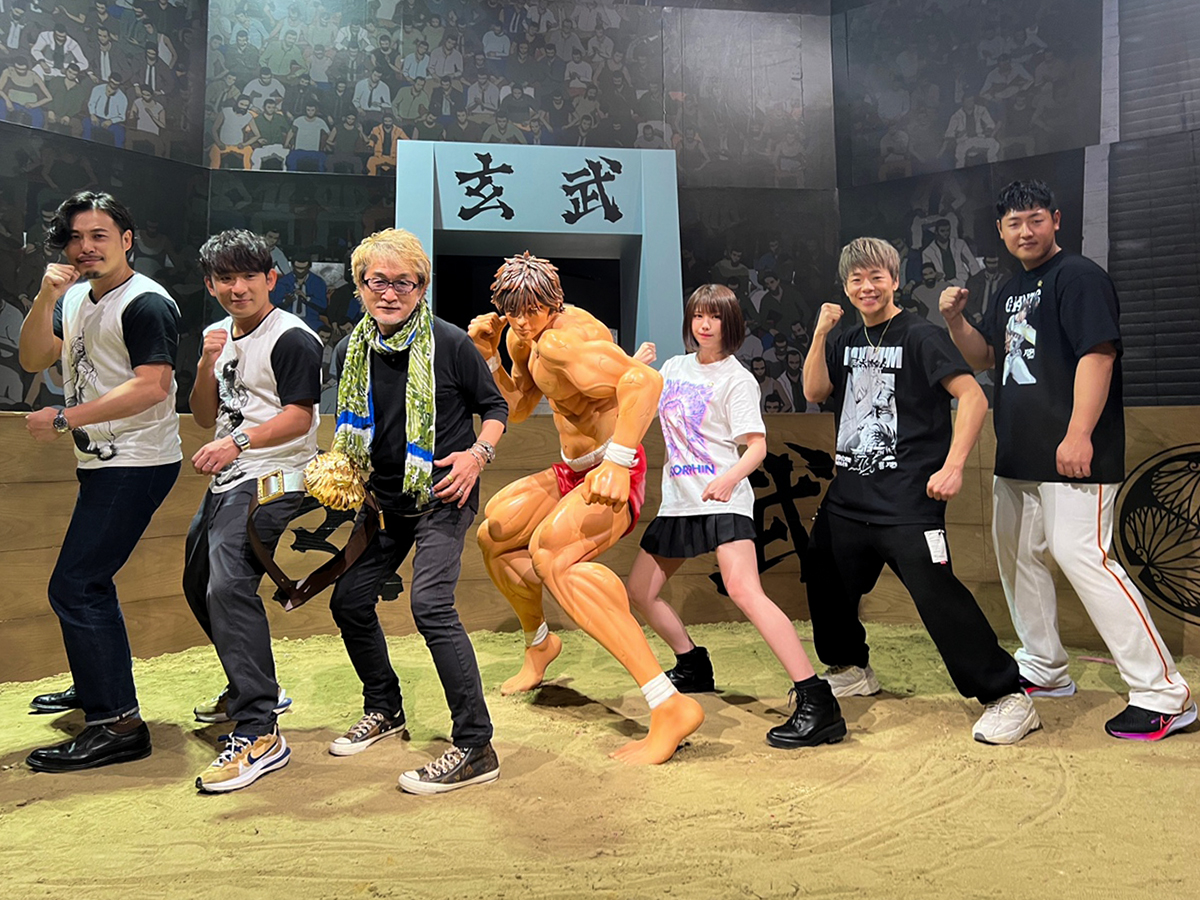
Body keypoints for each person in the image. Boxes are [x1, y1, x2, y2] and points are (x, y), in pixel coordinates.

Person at [940, 180, 1195, 740]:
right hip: (1020, 451)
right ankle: (1045, 667)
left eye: (1035, 219)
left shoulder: (1079, 277)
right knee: (1018, 559)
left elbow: (1098, 355)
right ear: (1001, 231)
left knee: (1085, 558)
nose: (1025, 231)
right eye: (1013, 223)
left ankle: (1164, 694)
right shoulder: (1010, 288)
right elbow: (989, 357)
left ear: (1056, 219)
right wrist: (957, 322)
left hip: (1073, 453)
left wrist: (1080, 433)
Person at [802, 236, 1040, 746]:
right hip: (849, 496)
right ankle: (851, 668)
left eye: (876, 277)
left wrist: (953, 466)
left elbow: (973, 398)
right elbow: (815, 391)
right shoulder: (845, 339)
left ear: (894, 279)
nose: (867, 287)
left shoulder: (921, 335)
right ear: (845, 287)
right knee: (823, 573)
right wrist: (821, 333)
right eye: (856, 279)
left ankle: (1007, 695)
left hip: (908, 500)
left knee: (938, 596)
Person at [470, 252, 704, 765]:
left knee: (553, 555)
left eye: (533, 310)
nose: (523, 321)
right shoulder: (523, 338)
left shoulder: (565, 340)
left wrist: (618, 462)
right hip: (573, 470)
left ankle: (668, 704)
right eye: (514, 312)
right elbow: (519, 407)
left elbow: (645, 382)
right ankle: (539, 643)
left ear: (552, 303)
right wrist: (489, 356)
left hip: (614, 470)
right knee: (496, 532)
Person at [325, 229, 507, 794]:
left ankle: (476, 746)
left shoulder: (450, 343)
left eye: (403, 282)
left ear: (421, 287)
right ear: (359, 286)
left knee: (430, 605)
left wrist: (477, 456)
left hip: (444, 497)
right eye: (376, 281)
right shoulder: (348, 352)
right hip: (383, 502)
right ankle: (385, 707)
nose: (389, 293)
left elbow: (495, 407)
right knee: (349, 600)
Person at [626, 285, 846, 749]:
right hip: (680, 500)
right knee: (640, 591)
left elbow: (757, 448)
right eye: (698, 316)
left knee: (745, 591)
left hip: (724, 499)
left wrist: (728, 480)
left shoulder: (737, 379)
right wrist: (633, 369)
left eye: (715, 317)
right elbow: (634, 409)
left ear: (730, 324)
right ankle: (692, 663)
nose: (704, 325)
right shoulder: (673, 368)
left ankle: (816, 700)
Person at [18, 190, 181, 770]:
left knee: (77, 585)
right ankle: (97, 685)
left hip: (138, 460)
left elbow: (153, 386)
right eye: (76, 238)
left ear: (126, 240)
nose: (86, 247)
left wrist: (66, 417)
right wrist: (46, 296)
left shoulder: (146, 303)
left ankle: (117, 724)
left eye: (99, 236)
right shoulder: (76, 297)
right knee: (87, 582)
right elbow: (35, 358)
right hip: (103, 460)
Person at [183, 229, 322, 792]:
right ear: (211, 284)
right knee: (197, 583)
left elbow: (300, 418)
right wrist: (204, 363)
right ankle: (253, 684)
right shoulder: (218, 337)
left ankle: (260, 728)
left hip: (276, 473)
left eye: (248, 276)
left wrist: (237, 443)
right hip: (230, 473)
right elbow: (202, 416)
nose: (237, 287)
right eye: (225, 278)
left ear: (271, 279)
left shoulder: (292, 337)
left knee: (227, 585)